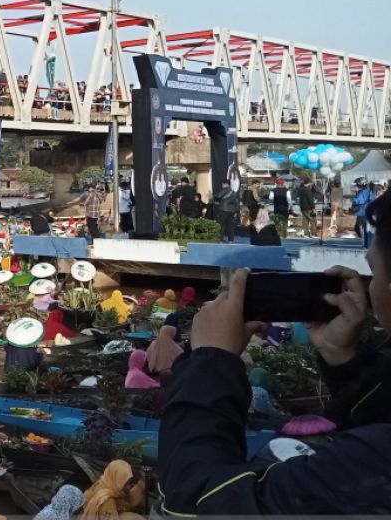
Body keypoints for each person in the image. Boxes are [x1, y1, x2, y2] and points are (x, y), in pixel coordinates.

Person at [157, 189, 391, 514]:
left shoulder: (369, 467)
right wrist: (347, 362)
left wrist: (210, 361)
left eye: (375, 272)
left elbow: (196, 502)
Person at [81, 459, 147, 518]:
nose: (129, 487)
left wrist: (143, 481)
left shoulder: (105, 482)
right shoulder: (106, 501)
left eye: (129, 483)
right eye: (125, 484)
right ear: (117, 481)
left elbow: (129, 500)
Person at [353, 180, 375, 247]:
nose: (355, 186)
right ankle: (367, 245)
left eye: (357, 185)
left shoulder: (363, 192)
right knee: (363, 230)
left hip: (362, 214)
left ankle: (366, 246)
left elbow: (357, 201)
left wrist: (354, 203)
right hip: (364, 214)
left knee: (361, 230)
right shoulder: (368, 192)